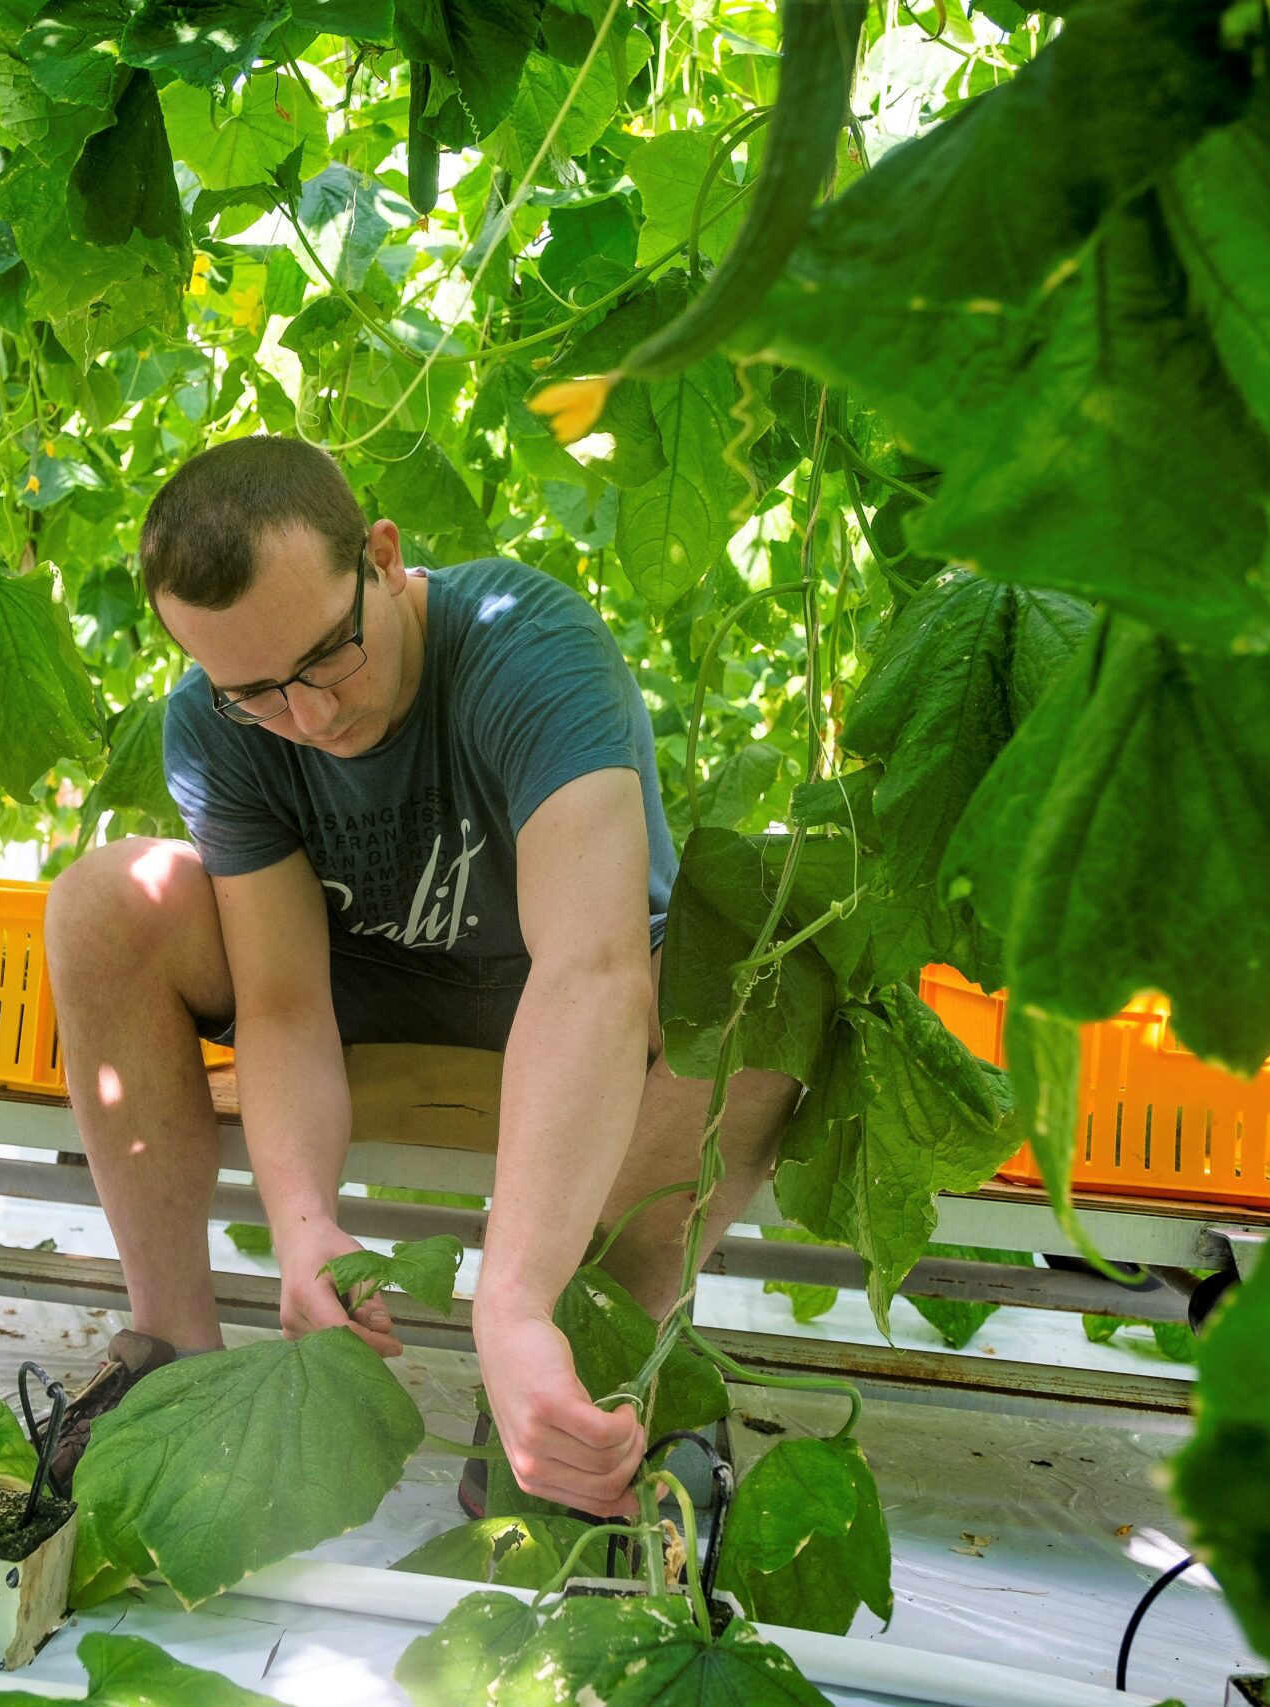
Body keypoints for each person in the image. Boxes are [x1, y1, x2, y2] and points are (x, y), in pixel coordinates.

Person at [41, 434, 798, 1516]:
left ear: (383, 559)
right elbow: (284, 1001)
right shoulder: (219, 726)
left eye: (325, 659)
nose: (307, 718)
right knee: (105, 899)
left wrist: (512, 1302)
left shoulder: (522, 645)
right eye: (252, 691)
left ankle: (594, 1355)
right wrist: (302, 1227)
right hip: (363, 1000)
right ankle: (168, 1350)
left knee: (776, 959)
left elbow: (593, 972)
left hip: (581, 1008)